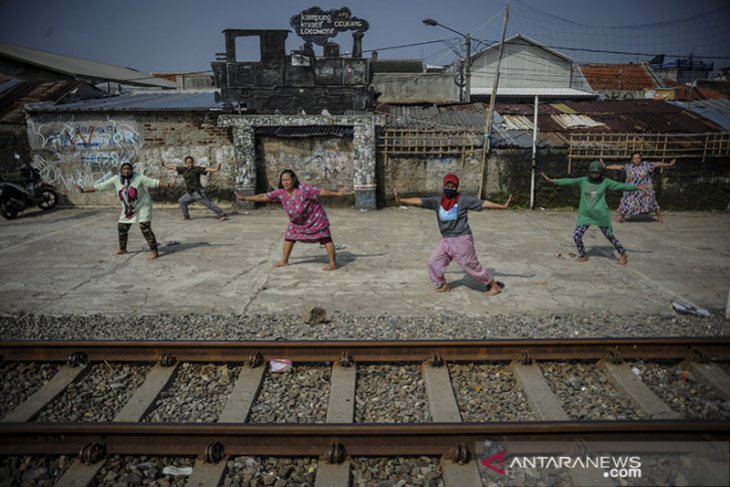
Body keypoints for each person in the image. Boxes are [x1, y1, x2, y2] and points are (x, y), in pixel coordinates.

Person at [394, 173, 511, 296]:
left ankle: (494, 286)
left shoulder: (463, 200)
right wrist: (401, 200)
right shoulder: (437, 201)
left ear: (457, 188)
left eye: (453, 187)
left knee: (470, 266)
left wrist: (502, 206)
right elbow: (419, 200)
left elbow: (483, 203)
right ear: (444, 186)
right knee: (433, 262)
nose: (450, 189)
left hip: (462, 239)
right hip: (446, 240)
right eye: (448, 186)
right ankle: (442, 285)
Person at [234, 169, 350, 271]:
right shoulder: (280, 193)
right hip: (298, 222)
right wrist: (245, 198)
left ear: (293, 179)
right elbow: (264, 196)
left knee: (325, 238)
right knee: (289, 237)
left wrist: (338, 194)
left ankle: (332, 263)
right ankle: (284, 260)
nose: (285, 182)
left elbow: (320, 192)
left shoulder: (304, 188)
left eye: (287, 180)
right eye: (283, 180)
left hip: (315, 218)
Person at [541, 160, 637, 265]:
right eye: (593, 172)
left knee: (609, 236)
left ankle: (623, 254)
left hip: (600, 215)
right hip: (585, 215)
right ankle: (583, 255)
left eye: (597, 173)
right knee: (577, 236)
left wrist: (635, 187)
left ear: (601, 173)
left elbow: (619, 186)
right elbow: (569, 181)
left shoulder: (605, 182)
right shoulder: (583, 181)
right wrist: (553, 181)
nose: (595, 175)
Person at [76, 162, 174, 260]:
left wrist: (168, 185)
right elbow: (100, 186)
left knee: (145, 227)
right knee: (122, 227)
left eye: (128, 169)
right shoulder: (116, 179)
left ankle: (154, 252)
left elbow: (154, 182)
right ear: (121, 170)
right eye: (124, 169)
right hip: (129, 208)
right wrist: (84, 190)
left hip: (143, 206)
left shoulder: (138, 177)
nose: (126, 171)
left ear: (132, 170)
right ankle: (123, 249)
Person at [602, 152, 676, 223]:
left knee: (652, 201)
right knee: (625, 200)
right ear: (632, 160)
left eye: (638, 158)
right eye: (635, 158)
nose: (637, 160)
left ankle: (659, 218)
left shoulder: (646, 165)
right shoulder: (628, 167)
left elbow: (658, 164)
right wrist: (606, 166)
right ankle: (622, 218)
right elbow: (617, 166)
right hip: (631, 188)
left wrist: (669, 164)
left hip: (644, 188)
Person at [162, 156, 228, 221]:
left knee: (209, 204)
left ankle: (222, 214)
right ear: (186, 163)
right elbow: (174, 167)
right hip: (190, 193)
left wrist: (216, 169)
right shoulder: (184, 170)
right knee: (181, 201)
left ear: (193, 162)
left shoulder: (196, 169)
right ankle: (186, 217)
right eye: (188, 163)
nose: (190, 164)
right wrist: (164, 165)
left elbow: (206, 169)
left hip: (198, 192)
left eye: (191, 162)